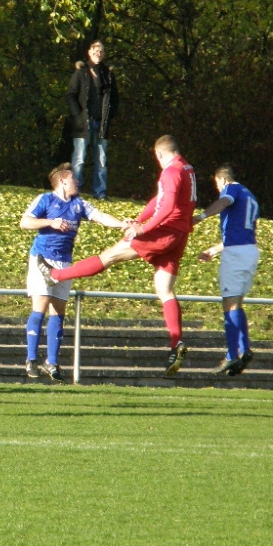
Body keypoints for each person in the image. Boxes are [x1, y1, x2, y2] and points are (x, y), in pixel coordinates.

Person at [37, 135, 196, 377]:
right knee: (164, 289)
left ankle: (55, 275)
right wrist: (140, 218)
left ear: (160, 154)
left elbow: (167, 204)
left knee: (109, 255)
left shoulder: (171, 171)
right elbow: (159, 200)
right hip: (179, 235)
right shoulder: (187, 168)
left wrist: (143, 228)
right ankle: (176, 344)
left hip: (163, 232)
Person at [20, 163, 127, 381]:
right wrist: (51, 222)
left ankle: (52, 362)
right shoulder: (45, 200)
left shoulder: (79, 204)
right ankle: (31, 359)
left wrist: (123, 225)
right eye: (74, 179)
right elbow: (25, 222)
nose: (77, 182)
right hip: (42, 258)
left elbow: (102, 217)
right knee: (40, 306)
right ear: (62, 181)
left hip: (64, 263)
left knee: (58, 311)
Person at [194, 165, 260, 376]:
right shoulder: (250, 195)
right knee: (237, 303)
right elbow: (241, 232)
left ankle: (232, 355)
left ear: (221, 180)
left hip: (237, 254)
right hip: (249, 251)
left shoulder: (231, 189)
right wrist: (214, 250)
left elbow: (224, 202)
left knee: (229, 304)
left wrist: (201, 217)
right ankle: (245, 348)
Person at [66, 40, 118, 200]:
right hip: (83, 125)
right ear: (89, 52)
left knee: (101, 161)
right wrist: (78, 116)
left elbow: (115, 99)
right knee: (79, 160)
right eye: (96, 51)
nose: (99, 54)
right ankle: (73, 192)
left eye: (101, 51)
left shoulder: (108, 75)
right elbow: (70, 95)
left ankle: (100, 193)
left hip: (102, 125)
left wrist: (109, 117)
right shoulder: (81, 73)